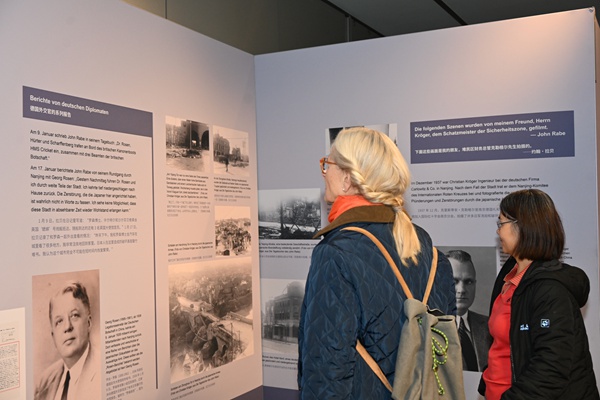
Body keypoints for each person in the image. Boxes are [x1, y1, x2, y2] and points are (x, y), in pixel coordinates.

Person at [297, 127, 456, 399]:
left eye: (328, 164)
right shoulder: (428, 249)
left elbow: (326, 374)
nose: (324, 172)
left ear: (347, 179)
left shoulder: (335, 254)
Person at [479, 189, 599, 400]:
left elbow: (550, 369)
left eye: (501, 223)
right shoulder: (509, 276)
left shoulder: (550, 289)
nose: (498, 231)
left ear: (523, 227)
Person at [34, 281, 100, 400]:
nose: (67, 327)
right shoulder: (43, 384)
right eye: (59, 321)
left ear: (89, 323)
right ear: (53, 336)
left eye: (74, 315)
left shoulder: (102, 368)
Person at [446, 249, 491, 372]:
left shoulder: (489, 326)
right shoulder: (427, 326)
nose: (461, 289)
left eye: (468, 282)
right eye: (454, 281)